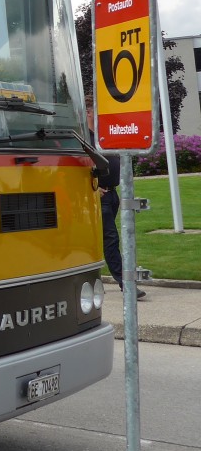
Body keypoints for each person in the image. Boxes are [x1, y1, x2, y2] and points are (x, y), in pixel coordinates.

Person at [86, 97, 146, 299]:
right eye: (97, 112)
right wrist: (91, 189)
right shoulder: (84, 138)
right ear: (88, 113)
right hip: (98, 194)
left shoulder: (102, 136)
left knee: (102, 240)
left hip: (112, 194)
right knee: (110, 239)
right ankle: (125, 284)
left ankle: (93, 280)